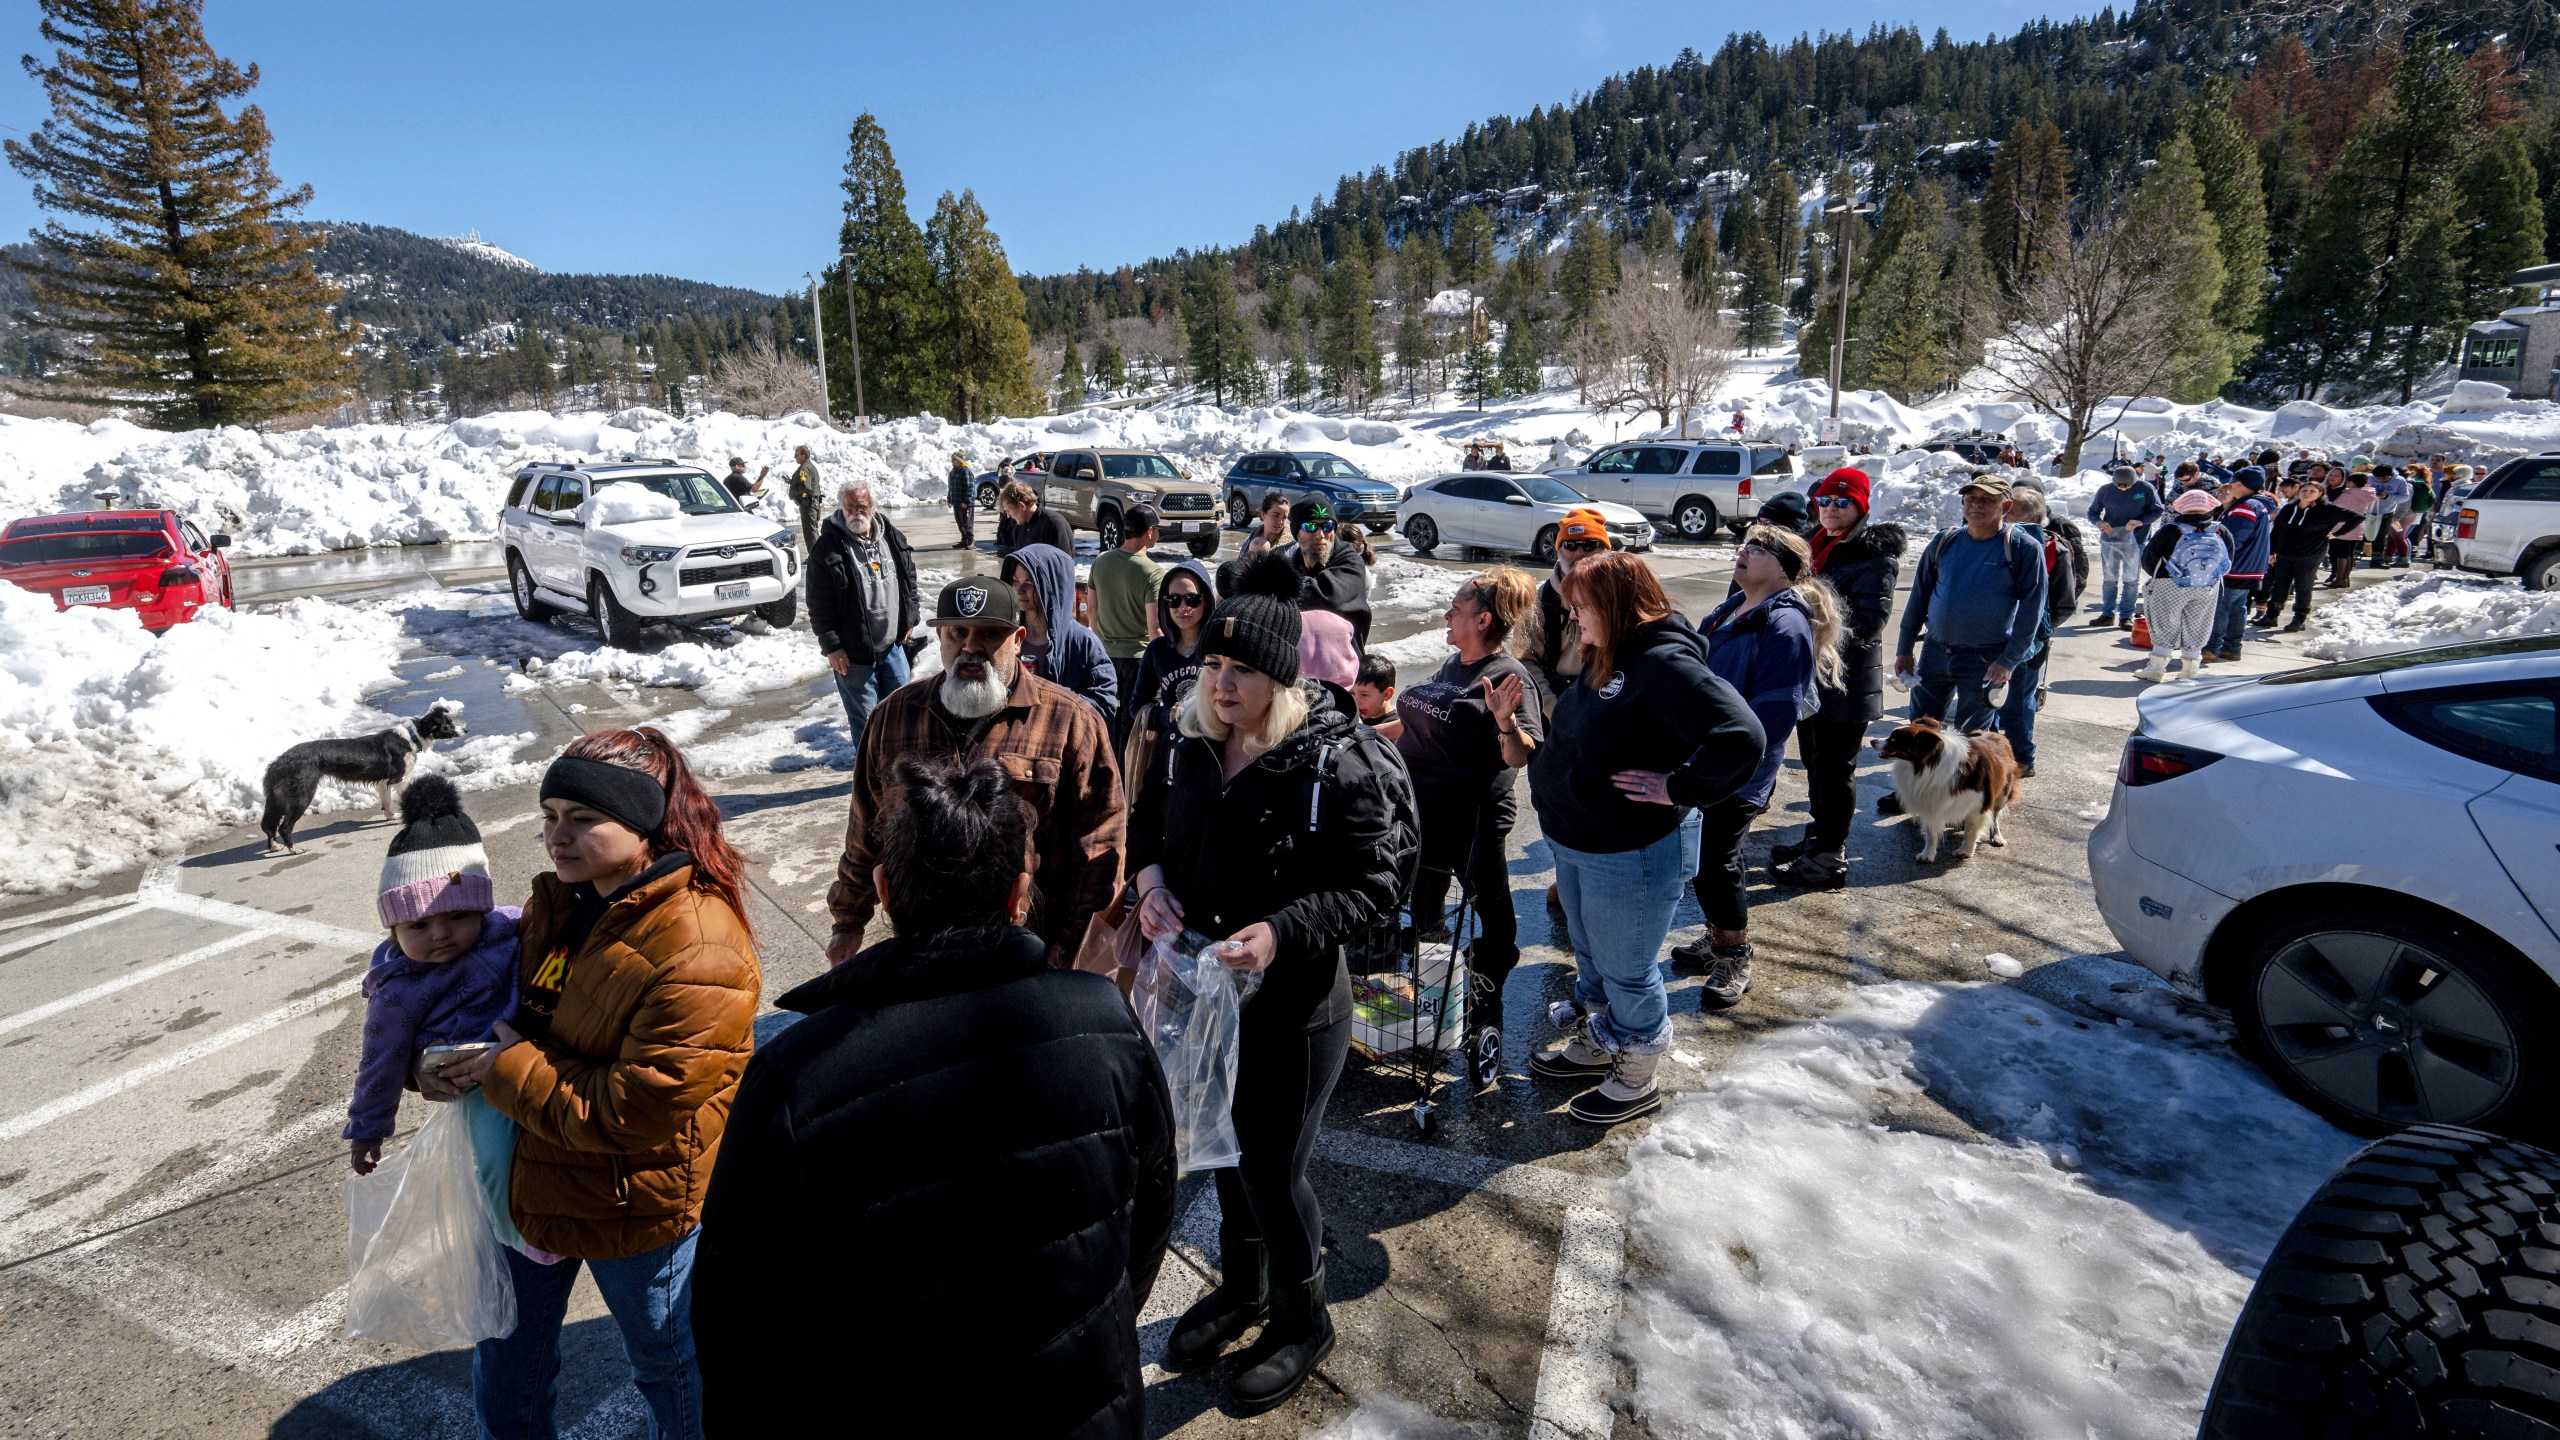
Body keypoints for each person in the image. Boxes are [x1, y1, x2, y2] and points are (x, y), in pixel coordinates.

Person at [694, 756, 1176, 1438]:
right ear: (1019, 893)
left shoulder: (795, 1074)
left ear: (885, 891)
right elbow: (1150, 1207)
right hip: (1086, 1404)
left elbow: (739, 1323)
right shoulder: (1103, 1018)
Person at [1129, 555, 1411, 1415]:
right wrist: (1149, 886)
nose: (1220, 682)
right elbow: (1145, 822)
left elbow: (1379, 885)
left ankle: (1302, 1318)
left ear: (1280, 677)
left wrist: (1282, 932)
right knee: (1216, 1146)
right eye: (1213, 664)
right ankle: (1243, 1290)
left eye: (1240, 669)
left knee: (1272, 1170)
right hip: (1200, 991)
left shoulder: (1331, 762)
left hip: (1292, 1007)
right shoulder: (1189, 738)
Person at [428, 728, 760, 1440]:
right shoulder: (562, 904)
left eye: (583, 819)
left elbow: (632, 1109)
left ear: (643, 824)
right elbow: (490, 1006)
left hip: (635, 1202)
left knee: (669, 1371)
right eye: (549, 816)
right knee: (508, 1363)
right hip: (532, 1177)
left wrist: (503, 1069)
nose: (557, 837)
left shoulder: (698, 944)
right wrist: (431, 1059)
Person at [1527, 551, 1762, 1126]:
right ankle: (1598, 1040)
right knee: (1590, 958)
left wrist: (1678, 786)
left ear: (1614, 605)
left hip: (1629, 851)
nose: (1574, 617)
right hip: (1581, 840)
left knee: (1627, 968)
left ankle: (1637, 1072)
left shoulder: (1662, 662)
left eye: (1582, 607)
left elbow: (1742, 734)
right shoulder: (1606, 652)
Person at [826, 578, 1123, 964]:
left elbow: (1101, 842)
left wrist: (1071, 945)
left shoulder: (1070, 721)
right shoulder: (894, 716)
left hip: (1028, 953)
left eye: (988, 634)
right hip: (921, 951)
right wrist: (848, 922)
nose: (970, 647)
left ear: (1018, 639)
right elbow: (866, 829)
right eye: (957, 632)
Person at [1677, 527, 1839, 1001]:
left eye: (1757, 548)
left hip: (1738, 768)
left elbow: (1775, 713)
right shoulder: (1732, 607)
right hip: (1706, 756)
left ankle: (1734, 955)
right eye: (1744, 545)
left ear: (1786, 567)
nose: (1741, 552)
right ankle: (1717, 934)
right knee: (1700, 858)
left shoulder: (1785, 625)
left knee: (1716, 862)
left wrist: (1729, 762)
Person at [345, 776, 519, 1179]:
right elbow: (379, 1063)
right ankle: (514, 1238)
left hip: (527, 1064)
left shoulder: (508, 927)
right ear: (394, 931)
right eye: (419, 926)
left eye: (457, 917)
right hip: (472, 1087)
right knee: (497, 1169)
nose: (441, 934)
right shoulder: (397, 992)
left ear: (481, 911)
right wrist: (367, 1132)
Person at [1393, 569, 1541, 1027]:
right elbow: (1418, 727)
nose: (1446, 616)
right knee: (1423, 914)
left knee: (1494, 918)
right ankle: (1435, 995)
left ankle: (1486, 995)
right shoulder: (1451, 668)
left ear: (1482, 620)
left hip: (1471, 822)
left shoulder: (1507, 676)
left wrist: (1504, 722)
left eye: (1455, 610)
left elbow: (1521, 754)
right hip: (1422, 814)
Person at [1770, 468, 1902, 889]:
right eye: (1824, 501)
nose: (1830, 509)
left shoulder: (1874, 556)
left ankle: (1829, 857)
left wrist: (1807, 631)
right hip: (1812, 677)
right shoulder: (1814, 544)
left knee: (1835, 768)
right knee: (1814, 763)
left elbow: (1868, 622)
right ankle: (1819, 835)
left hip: (1845, 683)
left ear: (1860, 507)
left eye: (1841, 502)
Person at [1892, 472, 2048, 736]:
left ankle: (1963, 779)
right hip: (1936, 652)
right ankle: (1925, 779)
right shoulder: (1944, 541)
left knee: (1970, 740)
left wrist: (2007, 662)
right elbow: (1918, 597)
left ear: (2006, 507)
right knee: (1919, 732)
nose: (1977, 504)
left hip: (1985, 660)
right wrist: (1904, 649)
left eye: (1988, 500)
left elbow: (2031, 612)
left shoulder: (2023, 548)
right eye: (1971, 498)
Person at [806, 478, 919, 756]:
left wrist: (909, 619)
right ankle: (871, 782)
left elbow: (909, 579)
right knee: (868, 723)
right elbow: (818, 602)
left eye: (863, 506)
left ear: (873, 507)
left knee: (901, 715)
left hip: (893, 648)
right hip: (854, 655)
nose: (857, 512)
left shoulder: (891, 535)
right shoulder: (828, 548)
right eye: (850, 507)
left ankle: (900, 776)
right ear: (840, 508)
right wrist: (832, 646)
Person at [1004, 542, 1120, 725]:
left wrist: (1053, 703)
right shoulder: (1005, 635)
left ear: (1052, 587)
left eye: (1029, 583)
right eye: (1015, 581)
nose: (1019, 591)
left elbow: (1105, 703)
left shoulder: (1083, 642)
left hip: (1060, 746)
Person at [1985, 485, 2058, 777]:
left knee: (2016, 702)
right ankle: (1999, 758)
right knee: (1995, 700)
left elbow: (2064, 597)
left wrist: (2036, 629)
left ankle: (2022, 759)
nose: (2002, 516)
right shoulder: (1996, 541)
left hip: (2029, 641)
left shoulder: (2049, 547)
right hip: (2010, 637)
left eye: (2009, 512)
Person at [2138, 490, 2235, 683]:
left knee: (2165, 624)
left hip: (2170, 583)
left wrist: (2161, 576)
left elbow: (2149, 559)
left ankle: (2156, 669)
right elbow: (2229, 559)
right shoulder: (2220, 530)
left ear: (2181, 506)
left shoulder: (2170, 530)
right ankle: (2190, 670)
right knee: (2199, 624)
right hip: (2207, 586)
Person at [1524, 508, 1613, 714]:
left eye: (1590, 545)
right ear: (1558, 550)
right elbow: (1525, 660)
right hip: (1556, 697)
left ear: (1606, 551)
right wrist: (1553, 710)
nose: (1580, 553)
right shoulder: (1542, 599)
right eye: (1571, 545)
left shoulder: (1620, 595)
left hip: (1608, 696)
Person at [1091, 503, 1166, 725]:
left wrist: (1099, 647)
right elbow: (1155, 628)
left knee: (1106, 720)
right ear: (1149, 532)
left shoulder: (1100, 561)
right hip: (1138, 660)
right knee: (1131, 725)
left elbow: (1092, 611)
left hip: (1105, 656)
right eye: (1157, 530)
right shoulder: (1153, 572)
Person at [2262, 475, 2361, 632]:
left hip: (2310, 554)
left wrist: (2337, 533)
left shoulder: (2327, 509)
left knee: (2303, 586)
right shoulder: (2289, 508)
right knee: (2280, 584)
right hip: (2285, 552)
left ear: (2320, 493)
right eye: (2304, 490)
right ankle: (2271, 615)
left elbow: (2357, 517)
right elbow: (2277, 530)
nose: (2307, 493)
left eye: (2312, 491)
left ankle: (2299, 618)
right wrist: (2271, 551)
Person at [1276, 497, 1372, 652]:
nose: (1321, 535)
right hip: (1301, 663)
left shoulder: (1350, 562)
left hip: (1341, 665)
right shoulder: (1290, 562)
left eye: (1328, 526)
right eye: (1311, 526)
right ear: (1297, 533)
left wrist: (1274, 588)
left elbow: (1325, 596)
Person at [1130, 559, 1213, 724]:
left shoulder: (1218, 649)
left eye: (1192, 599)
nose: (1183, 607)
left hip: (1211, 743)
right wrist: (1166, 715)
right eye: (1173, 600)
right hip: (1171, 743)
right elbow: (1137, 706)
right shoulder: (1157, 650)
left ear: (1206, 601)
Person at [2207, 469, 2276, 662]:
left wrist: (2216, 559)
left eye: (2233, 482)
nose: (2230, 485)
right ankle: (2232, 647)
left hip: (2237, 567)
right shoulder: (2258, 505)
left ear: (2241, 484)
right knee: (2238, 607)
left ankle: (2211, 647)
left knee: (2222, 608)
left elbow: (2234, 539)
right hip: (2251, 567)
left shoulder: (2245, 507)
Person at [2085, 464, 2164, 628]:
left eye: (2127, 486)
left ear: (2134, 481)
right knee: (2109, 579)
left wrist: (2140, 521)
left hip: (2136, 540)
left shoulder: (2145, 489)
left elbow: (2157, 510)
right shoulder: (2105, 490)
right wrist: (2099, 522)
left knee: (2131, 579)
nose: (2122, 489)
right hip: (2111, 540)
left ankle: (2126, 615)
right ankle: (2107, 614)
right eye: (2119, 485)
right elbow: (2092, 512)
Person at [761, 444, 823, 552]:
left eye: (797, 455)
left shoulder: (804, 468)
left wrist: (793, 492)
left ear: (803, 455)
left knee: (810, 532)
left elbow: (806, 486)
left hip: (808, 505)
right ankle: (817, 555)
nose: (795, 457)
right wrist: (792, 482)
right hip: (812, 503)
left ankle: (815, 557)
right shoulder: (809, 466)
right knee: (813, 531)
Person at [2323, 471, 2380, 589]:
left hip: (2342, 525)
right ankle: (2345, 578)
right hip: (2357, 525)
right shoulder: (2368, 493)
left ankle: (2339, 579)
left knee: (2341, 554)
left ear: (2353, 482)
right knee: (2349, 554)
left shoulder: (2348, 495)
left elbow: (2334, 505)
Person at [999, 479, 1074, 557]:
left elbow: (1063, 564)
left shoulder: (1054, 523)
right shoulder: (1019, 528)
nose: (1008, 516)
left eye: (1009, 511)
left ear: (1022, 506)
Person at [1351, 652, 1401, 741]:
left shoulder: (1395, 729)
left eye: (1364, 695)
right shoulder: (1355, 717)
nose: (1356, 702)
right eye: (1352, 693)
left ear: (1387, 694)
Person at [946, 451, 976, 549]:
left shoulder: (966, 472)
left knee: (967, 523)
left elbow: (970, 488)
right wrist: (950, 499)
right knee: (960, 522)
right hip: (956, 502)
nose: (952, 461)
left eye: (954, 459)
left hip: (965, 503)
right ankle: (964, 540)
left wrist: (966, 501)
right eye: (952, 459)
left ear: (959, 461)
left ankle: (971, 541)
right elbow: (951, 487)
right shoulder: (953, 472)